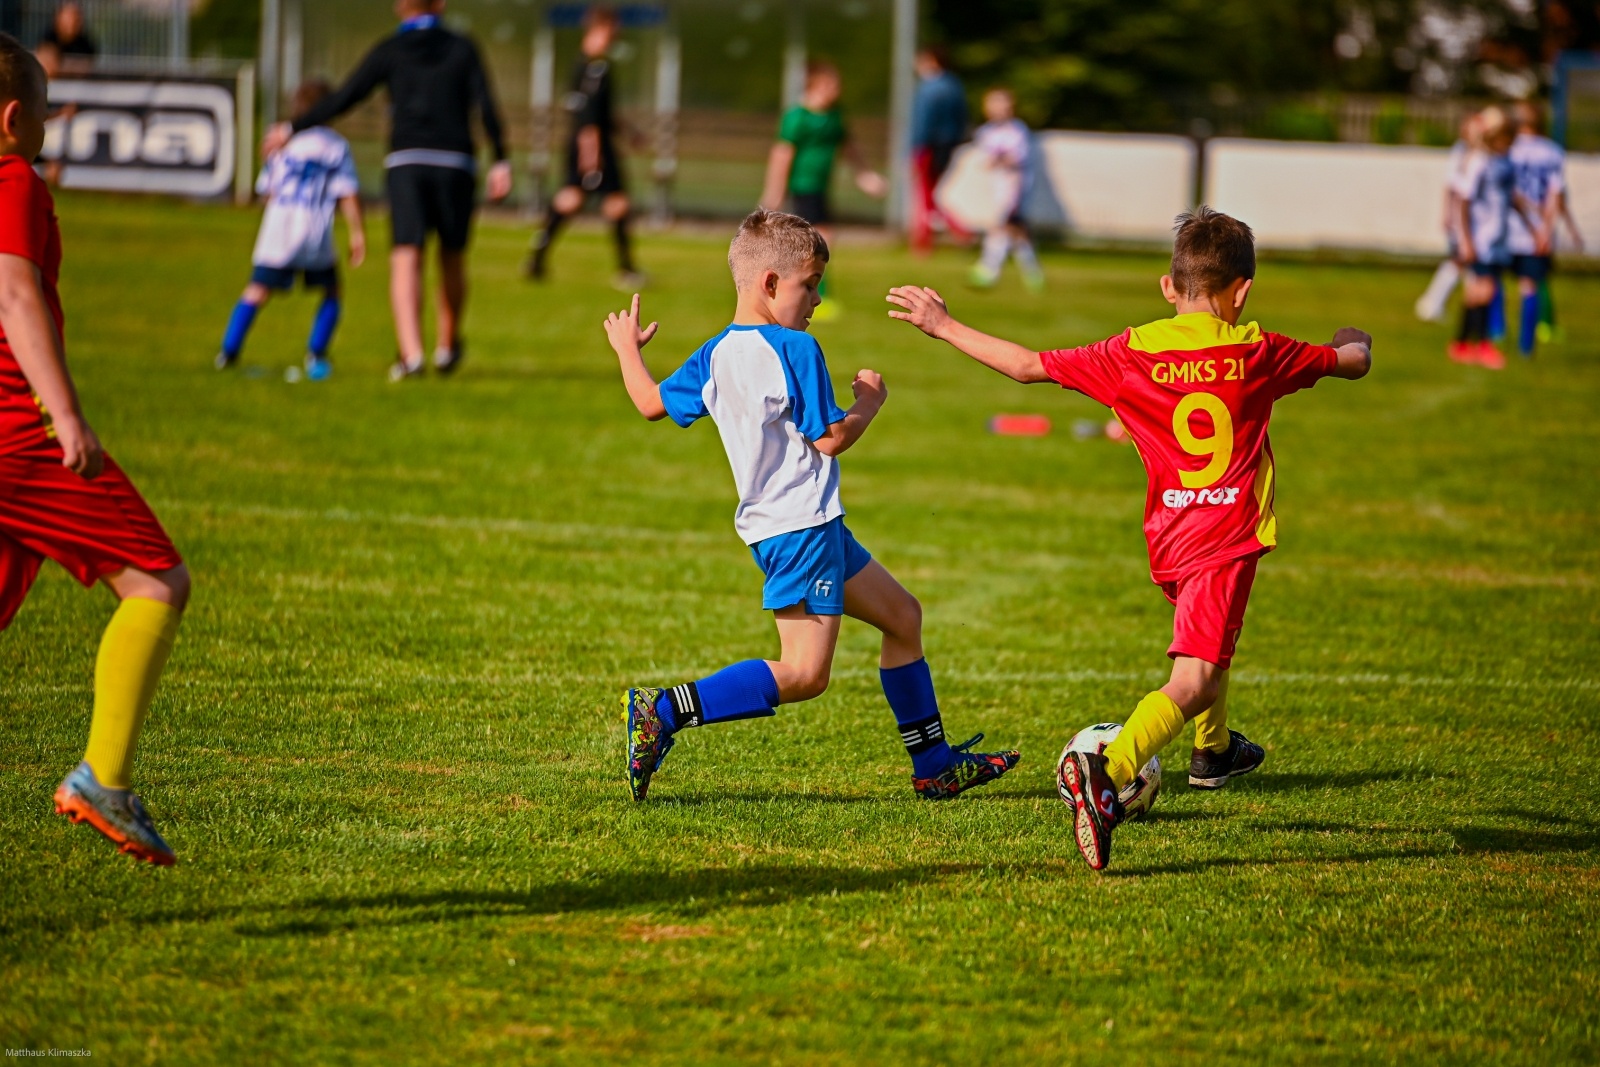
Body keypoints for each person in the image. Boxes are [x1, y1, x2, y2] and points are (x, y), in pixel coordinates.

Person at [887, 207, 1374, 870]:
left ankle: (1213, 750)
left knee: (1213, 644)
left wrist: (943, 325)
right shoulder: (1256, 349)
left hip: (1170, 535)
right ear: (1243, 290)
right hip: (1224, 536)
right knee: (1195, 675)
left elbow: (1029, 366)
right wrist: (1357, 341)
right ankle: (1105, 769)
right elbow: (1350, 363)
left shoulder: (1132, 352)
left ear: (1168, 288)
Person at [602, 209, 1019, 803]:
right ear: (771, 283)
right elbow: (829, 439)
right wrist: (869, 403)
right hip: (802, 530)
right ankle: (663, 710)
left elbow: (647, 402)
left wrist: (625, 349)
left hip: (794, 528)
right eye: (811, 283)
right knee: (803, 673)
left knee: (903, 617)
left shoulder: (717, 352)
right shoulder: (795, 347)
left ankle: (933, 763)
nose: (819, 298)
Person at [0, 34, 189, 866]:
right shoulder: (13, 180)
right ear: (15, 119)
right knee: (156, 579)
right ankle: (101, 779)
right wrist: (64, 413)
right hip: (16, 432)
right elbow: (14, 292)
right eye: (45, 113)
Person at [262, 0, 511, 382]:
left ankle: (411, 356)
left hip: (407, 162)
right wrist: (501, 159)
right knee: (452, 256)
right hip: (455, 163)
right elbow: (486, 103)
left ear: (401, 7)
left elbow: (345, 97)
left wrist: (292, 128)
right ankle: (446, 347)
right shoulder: (463, 47)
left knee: (406, 256)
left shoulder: (391, 50)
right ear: (441, 5)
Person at [217, 80, 365, 381]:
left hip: (278, 229)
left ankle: (228, 352)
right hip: (314, 231)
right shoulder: (335, 145)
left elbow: (267, 190)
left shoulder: (280, 140)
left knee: (257, 290)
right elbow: (346, 192)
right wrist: (357, 232)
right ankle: (317, 355)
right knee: (331, 291)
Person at [759, 60, 887, 320]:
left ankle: (803, 292)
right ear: (813, 85)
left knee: (817, 240)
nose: (835, 89)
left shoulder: (834, 116)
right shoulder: (798, 117)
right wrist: (775, 191)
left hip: (821, 187)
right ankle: (813, 295)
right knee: (818, 239)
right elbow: (782, 154)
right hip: (802, 186)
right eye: (829, 84)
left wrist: (866, 176)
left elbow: (849, 148)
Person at [526, 5, 640, 289]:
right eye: (613, 28)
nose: (616, 34)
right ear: (600, 28)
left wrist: (628, 131)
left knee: (573, 199)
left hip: (590, 143)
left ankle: (536, 257)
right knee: (614, 204)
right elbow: (588, 118)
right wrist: (591, 155)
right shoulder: (594, 68)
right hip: (592, 146)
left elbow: (600, 112)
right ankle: (626, 271)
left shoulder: (589, 64)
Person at [1450, 106, 1536, 370]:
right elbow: (1463, 202)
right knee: (1486, 289)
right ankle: (1483, 345)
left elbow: (1512, 199)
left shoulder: (1505, 163)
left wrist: (1532, 227)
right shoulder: (1479, 162)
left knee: (1477, 292)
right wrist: (1466, 240)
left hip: (1499, 239)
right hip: (1481, 238)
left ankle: (1462, 344)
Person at [1507, 100, 1581, 356]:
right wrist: (1546, 230)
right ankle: (1525, 345)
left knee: (1489, 280)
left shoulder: (1508, 150)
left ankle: (1494, 332)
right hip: (1535, 231)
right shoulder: (1552, 152)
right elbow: (1555, 194)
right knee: (1530, 284)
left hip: (1508, 227)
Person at [966, 87, 1042, 292]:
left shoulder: (1017, 130)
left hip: (1015, 186)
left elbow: (1016, 160)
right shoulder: (986, 132)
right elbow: (986, 161)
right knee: (1016, 232)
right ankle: (1033, 272)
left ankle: (988, 270)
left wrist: (1001, 162)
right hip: (997, 187)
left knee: (1001, 227)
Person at [1414, 111, 1482, 324]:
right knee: (1459, 260)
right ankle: (1431, 304)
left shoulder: (1480, 154)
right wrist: (1447, 214)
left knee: (1467, 264)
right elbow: (1451, 186)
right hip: (1461, 219)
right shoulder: (1461, 152)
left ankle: (1463, 308)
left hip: (1474, 219)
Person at [908, 45, 970, 256]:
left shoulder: (929, 88)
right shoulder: (955, 86)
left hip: (927, 146)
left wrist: (915, 149)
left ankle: (926, 242)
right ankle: (958, 231)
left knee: (924, 195)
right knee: (931, 193)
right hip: (948, 147)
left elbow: (922, 122)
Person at [38, 2, 93, 74]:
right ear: (58, 18)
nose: (72, 22)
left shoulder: (85, 44)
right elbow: (46, 63)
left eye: (76, 18)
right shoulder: (49, 39)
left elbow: (86, 66)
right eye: (69, 17)